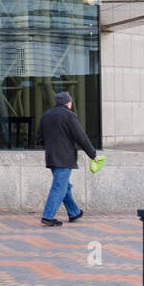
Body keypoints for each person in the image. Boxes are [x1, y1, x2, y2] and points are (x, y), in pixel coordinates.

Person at [35, 90, 98, 226]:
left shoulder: (46, 115)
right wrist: (93, 155)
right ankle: (48, 216)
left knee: (64, 186)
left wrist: (51, 145)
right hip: (65, 158)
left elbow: (38, 138)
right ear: (67, 103)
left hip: (51, 157)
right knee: (59, 186)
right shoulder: (69, 116)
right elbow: (81, 137)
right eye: (70, 102)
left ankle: (74, 212)